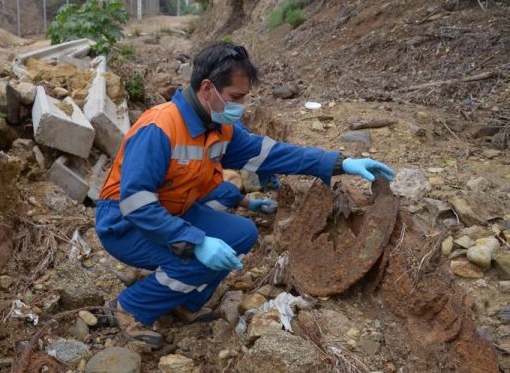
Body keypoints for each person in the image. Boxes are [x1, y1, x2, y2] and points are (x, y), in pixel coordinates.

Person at [95, 42, 394, 349]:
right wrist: (195, 241)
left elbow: (274, 154)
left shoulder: (219, 128)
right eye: (236, 97)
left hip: (173, 211)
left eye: (244, 97)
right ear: (208, 88)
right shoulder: (160, 127)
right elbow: (136, 203)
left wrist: (340, 163)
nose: (242, 106)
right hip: (124, 223)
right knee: (193, 258)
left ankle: (181, 301)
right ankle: (132, 307)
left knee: (242, 234)